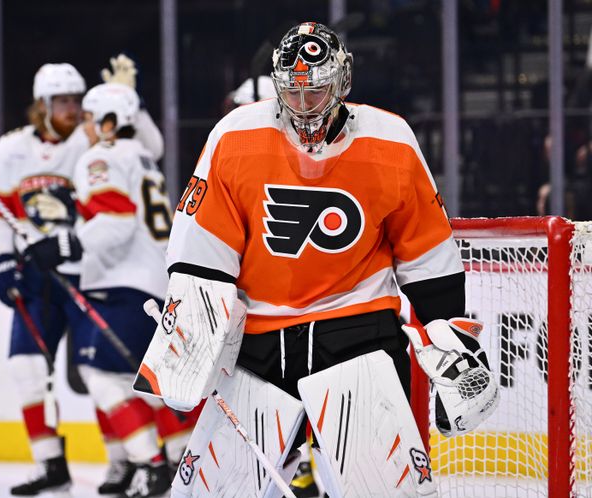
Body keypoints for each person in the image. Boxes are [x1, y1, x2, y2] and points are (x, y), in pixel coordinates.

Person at [135, 22, 498, 497]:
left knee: (387, 491)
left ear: (342, 81)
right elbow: (203, 241)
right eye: (293, 92)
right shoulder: (236, 135)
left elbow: (427, 251)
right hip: (258, 342)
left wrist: (449, 332)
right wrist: (193, 326)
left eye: (317, 90)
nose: (304, 106)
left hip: (357, 330)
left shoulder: (391, 139)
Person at [26, 82, 199, 497]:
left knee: (102, 378)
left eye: (88, 118)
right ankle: (179, 459)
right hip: (155, 285)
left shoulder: (100, 156)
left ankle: (151, 464)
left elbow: (115, 222)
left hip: (124, 286)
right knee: (151, 384)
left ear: (107, 122)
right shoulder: (141, 156)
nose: (84, 127)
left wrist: (65, 243)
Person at [0, 62, 93, 496]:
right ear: (42, 105)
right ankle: (51, 465)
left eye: (76, 100)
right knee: (25, 369)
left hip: (84, 273)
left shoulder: (88, 140)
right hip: (36, 278)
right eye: (62, 101)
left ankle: (126, 465)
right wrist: (1, 261)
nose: (72, 109)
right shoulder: (13, 148)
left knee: (102, 372)